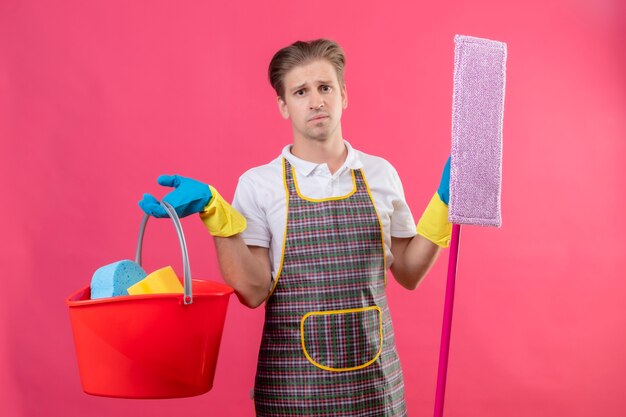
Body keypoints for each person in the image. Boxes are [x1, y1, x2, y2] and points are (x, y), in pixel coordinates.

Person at [139, 39, 452, 417]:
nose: (316, 101)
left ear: (343, 95)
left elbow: (409, 271)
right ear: (284, 106)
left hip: (376, 387)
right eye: (301, 92)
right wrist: (215, 214)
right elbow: (253, 292)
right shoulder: (260, 184)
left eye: (325, 88)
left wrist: (444, 203)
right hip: (292, 389)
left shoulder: (380, 174)